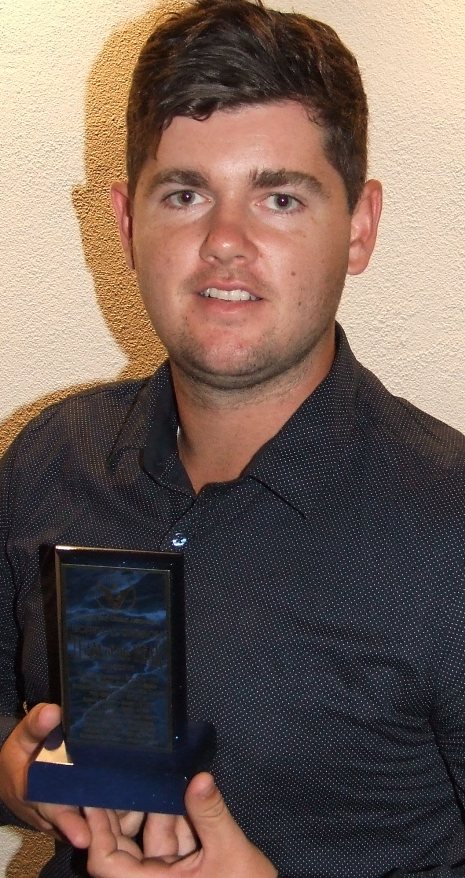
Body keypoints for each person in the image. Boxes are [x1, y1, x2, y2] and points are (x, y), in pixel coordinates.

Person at [0, 0, 464, 876]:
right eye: (184, 194)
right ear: (126, 222)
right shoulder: (49, 457)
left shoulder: (449, 525)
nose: (223, 243)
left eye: (279, 197)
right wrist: (22, 776)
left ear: (359, 227)